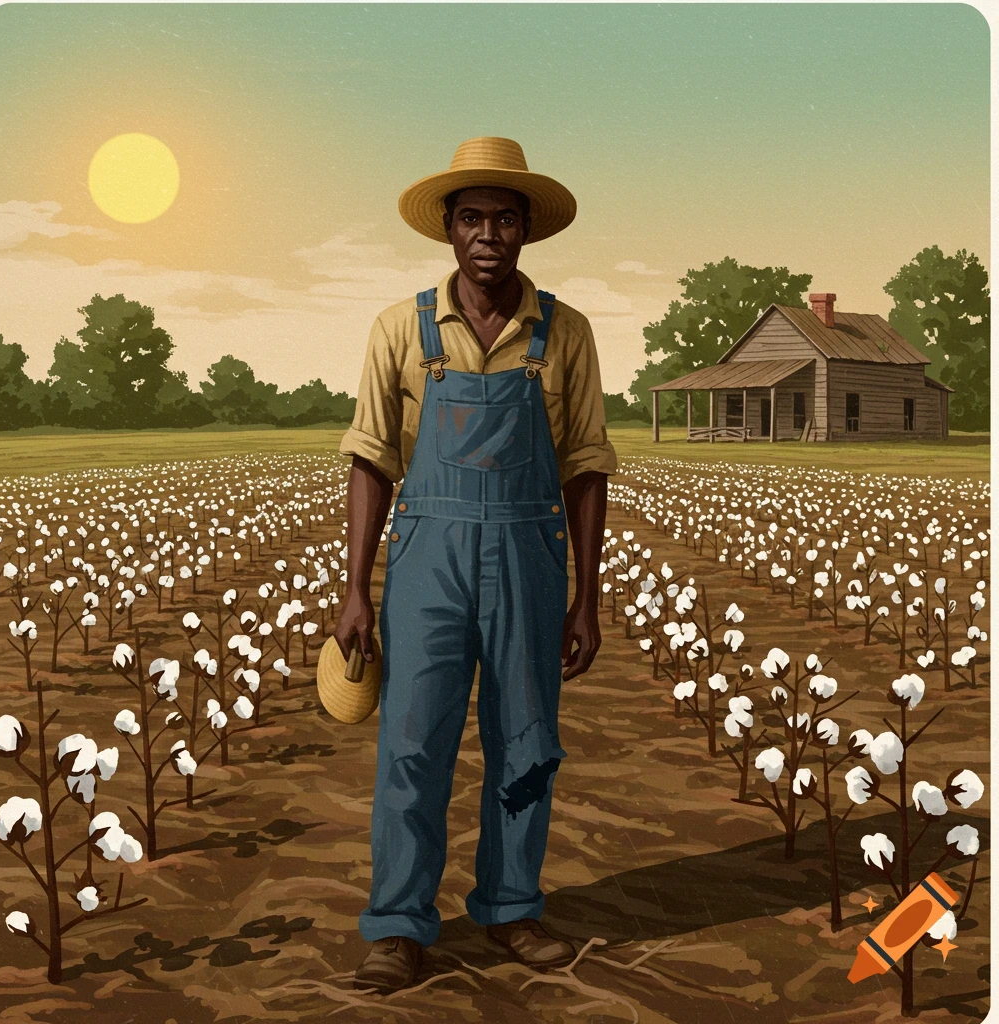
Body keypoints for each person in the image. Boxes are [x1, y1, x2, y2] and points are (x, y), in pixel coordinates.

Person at [335, 136, 617, 994]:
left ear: (526, 230)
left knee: (526, 736)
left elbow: (586, 465)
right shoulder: (400, 329)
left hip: (531, 555)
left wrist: (586, 596)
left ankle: (511, 906)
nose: (487, 233)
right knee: (412, 742)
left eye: (503, 217)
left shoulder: (565, 333)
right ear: (449, 232)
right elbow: (372, 459)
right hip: (429, 558)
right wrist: (352, 587)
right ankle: (397, 924)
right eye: (471, 218)